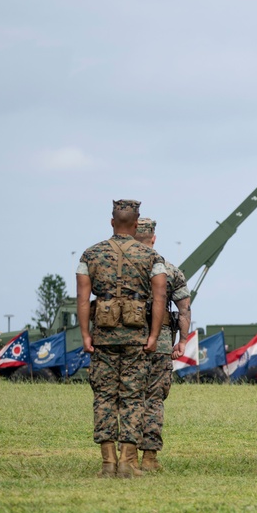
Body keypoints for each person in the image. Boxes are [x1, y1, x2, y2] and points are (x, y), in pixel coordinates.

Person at [77, 200, 167, 478]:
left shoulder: (90, 254)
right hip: (137, 337)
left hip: (102, 337)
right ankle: (128, 462)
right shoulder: (152, 257)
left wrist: (85, 334)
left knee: (104, 397)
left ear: (112, 222)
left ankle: (107, 464)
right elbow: (160, 297)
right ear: (137, 224)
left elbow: (82, 298)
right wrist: (153, 335)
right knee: (133, 397)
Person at [133, 217, 191, 473]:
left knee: (128, 397)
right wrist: (183, 341)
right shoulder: (170, 269)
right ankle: (149, 458)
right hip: (162, 344)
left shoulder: (121, 267)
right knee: (154, 400)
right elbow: (185, 309)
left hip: (127, 341)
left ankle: (125, 456)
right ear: (153, 238)